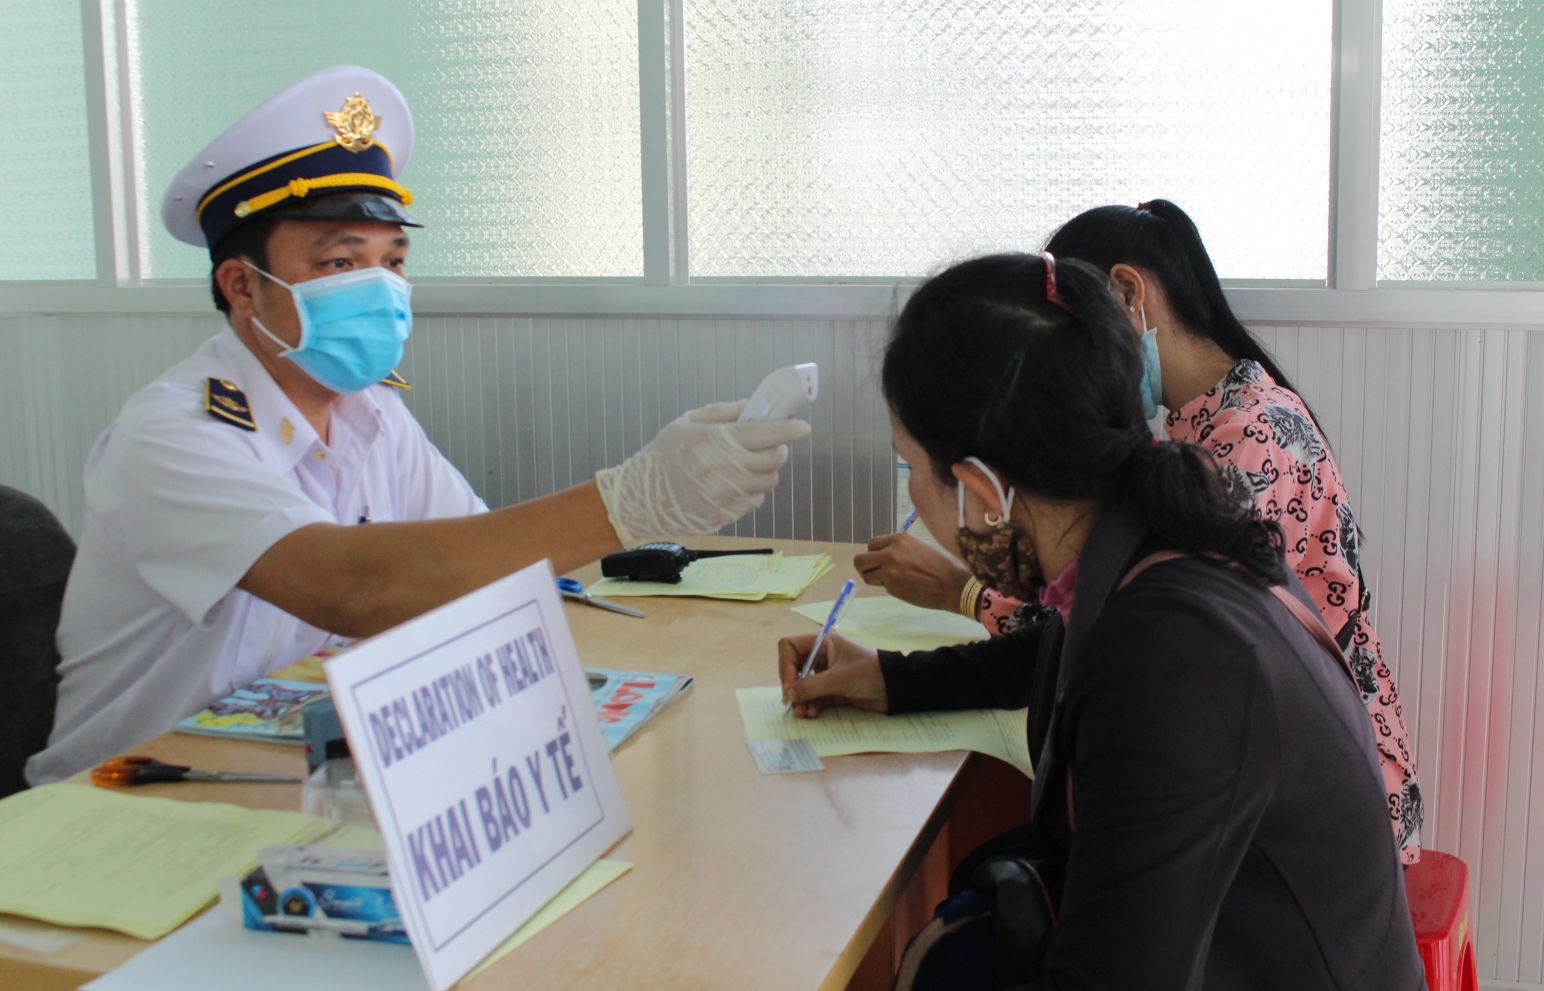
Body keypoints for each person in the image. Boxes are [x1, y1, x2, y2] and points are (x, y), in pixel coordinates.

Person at [26, 66, 807, 784]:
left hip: (292, 772)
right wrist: (632, 501)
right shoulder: (175, 432)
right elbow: (355, 586)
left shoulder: (371, 413)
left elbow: (473, 570)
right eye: (340, 264)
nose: (381, 287)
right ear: (241, 285)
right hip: (132, 796)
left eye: (392, 261)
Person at [783, 253, 1424, 989]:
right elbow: (1047, 651)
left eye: (911, 469)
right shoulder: (1146, 532)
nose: (915, 501)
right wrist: (887, 680)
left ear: (978, 490)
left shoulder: (1175, 649)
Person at [855, 199, 1422, 863]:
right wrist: (891, 679)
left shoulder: (1252, 440)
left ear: (1128, 293)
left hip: (1313, 809)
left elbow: (1105, 632)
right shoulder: (1196, 423)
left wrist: (966, 592)